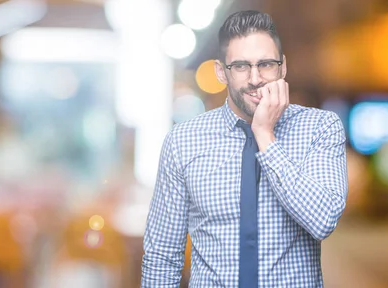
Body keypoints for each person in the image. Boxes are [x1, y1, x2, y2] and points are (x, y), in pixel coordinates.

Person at [141, 10, 348, 287]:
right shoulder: (182, 141)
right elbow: (162, 256)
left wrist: (265, 135)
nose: (254, 78)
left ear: (282, 67)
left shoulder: (320, 127)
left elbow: (323, 220)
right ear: (221, 72)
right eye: (240, 66)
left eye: (266, 64)